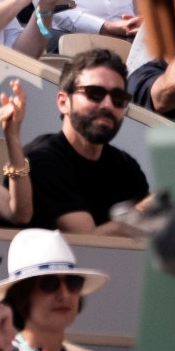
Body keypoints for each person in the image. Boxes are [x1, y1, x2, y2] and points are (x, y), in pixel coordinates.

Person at [22, 50, 145, 235]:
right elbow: (87, 242)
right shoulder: (39, 160)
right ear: (63, 102)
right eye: (95, 93)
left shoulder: (126, 166)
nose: (108, 105)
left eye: (118, 99)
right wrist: (143, 213)